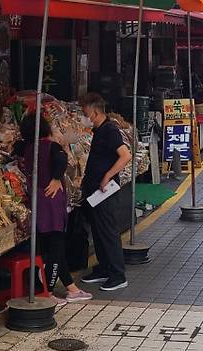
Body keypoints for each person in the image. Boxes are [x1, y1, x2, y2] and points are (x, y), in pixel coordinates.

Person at [16, 112, 93, 305]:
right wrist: (57, 177)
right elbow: (61, 160)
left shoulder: (27, 148)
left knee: (50, 246)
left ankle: (71, 289)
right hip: (52, 202)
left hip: (37, 201)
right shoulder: (51, 147)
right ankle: (48, 292)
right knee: (56, 247)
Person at [78, 93, 132, 291]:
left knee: (108, 232)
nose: (83, 116)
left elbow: (125, 156)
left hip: (105, 192)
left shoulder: (109, 130)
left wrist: (107, 176)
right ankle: (104, 268)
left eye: (85, 113)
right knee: (98, 232)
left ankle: (118, 275)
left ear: (94, 112)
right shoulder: (99, 130)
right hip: (94, 191)